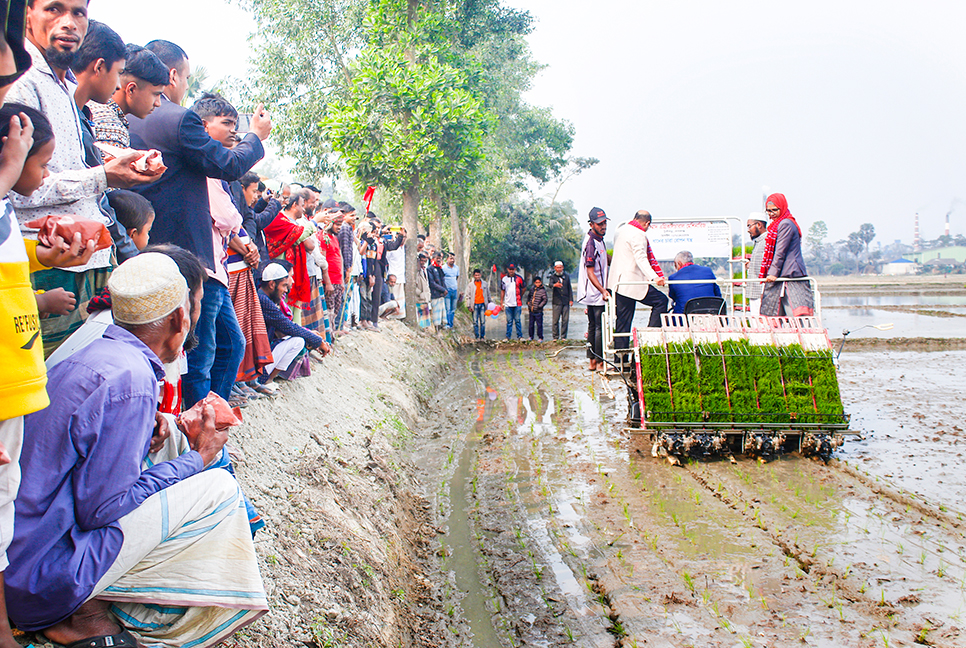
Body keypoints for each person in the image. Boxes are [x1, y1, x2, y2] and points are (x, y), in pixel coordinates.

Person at [7, 253, 267, 647]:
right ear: (180, 320)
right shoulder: (132, 379)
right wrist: (197, 459)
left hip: (16, 557)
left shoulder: (97, 353)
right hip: (42, 579)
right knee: (219, 488)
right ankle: (162, 625)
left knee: (178, 457)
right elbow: (102, 510)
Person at [0, 90, 101, 648]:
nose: (42, 178)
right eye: (39, 163)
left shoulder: (9, 216)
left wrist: (45, 263)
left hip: (14, 384)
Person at [128, 40, 270, 407]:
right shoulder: (176, 119)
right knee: (200, 353)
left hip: (163, 250)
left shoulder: (130, 119)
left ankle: (208, 423)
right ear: (172, 75)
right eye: (186, 78)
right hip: (189, 258)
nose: (183, 88)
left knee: (215, 347)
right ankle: (199, 430)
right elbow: (228, 164)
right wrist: (256, 136)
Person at [6, 2, 152, 353]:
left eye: (78, 13)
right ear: (28, 12)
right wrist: (104, 176)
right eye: (54, 9)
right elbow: (18, 187)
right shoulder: (20, 83)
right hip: (46, 262)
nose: (68, 23)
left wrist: (111, 172)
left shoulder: (64, 87)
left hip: (85, 261)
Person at [257, 263, 326, 392]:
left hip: (262, 353)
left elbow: (285, 328)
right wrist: (317, 341)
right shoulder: (263, 300)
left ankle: (268, 379)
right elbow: (288, 326)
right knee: (297, 341)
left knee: (298, 340)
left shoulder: (266, 299)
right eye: (283, 285)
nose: (286, 290)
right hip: (257, 358)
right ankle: (265, 379)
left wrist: (310, 336)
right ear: (272, 285)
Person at [608, 210, 669, 354]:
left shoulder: (621, 231)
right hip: (632, 282)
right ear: (647, 223)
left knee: (623, 321)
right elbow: (641, 258)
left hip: (618, 283)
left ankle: (620, 360)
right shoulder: (639, 234)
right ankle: (649, 339)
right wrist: (654, 277)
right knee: (661, 301)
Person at [91, 43, 168, 148]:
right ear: (131, 89)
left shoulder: (93, 109)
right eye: (156, 94)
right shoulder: (113, 129)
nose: (158, 103)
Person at [759, 193, 813, 317]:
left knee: (795, 311)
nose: (771, 213)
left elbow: (780, 251)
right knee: (777, 311)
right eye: (768, 211)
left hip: (791, 272)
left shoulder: (786, 224)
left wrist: (772, 273)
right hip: (781, 273)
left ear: (782, 207)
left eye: (774, 210)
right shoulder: (776, 225)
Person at [576, 207, 609, 371]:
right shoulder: (591, 243)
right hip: (595, 292)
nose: (603, 226)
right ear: (591, 224)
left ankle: (593, 361)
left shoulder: (599, 239)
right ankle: (600, 361)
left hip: (595, 292)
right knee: (598, 327)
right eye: (599, 224)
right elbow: (590, 272)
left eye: (604, 223)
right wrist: (603, 290)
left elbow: (606, 259)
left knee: (593, 326)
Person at [745, 214, 767, 315]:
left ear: (759, 225)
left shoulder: (766, 241)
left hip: (761, 293)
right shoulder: (758, 242)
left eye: (749, 226)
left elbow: (767, 268)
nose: (748, 230)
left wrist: (764, 293)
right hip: (755, 291)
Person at [547, 260, 572, 340]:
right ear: (555, 268)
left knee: (565, 320)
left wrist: (571, 300)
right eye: (557, 268)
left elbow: (569, 289)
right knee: (555, 320)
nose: (559, 269)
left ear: (563, 268)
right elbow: (550, 285)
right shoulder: (552, 277)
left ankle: (563, 336)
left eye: (560, 267)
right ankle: (555, 337)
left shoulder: (567, 276)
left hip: (565, 301)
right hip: (556, 301)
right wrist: (555, 285)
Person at [463, 268, 490, 339]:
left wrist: (490, 303)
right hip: (474, 305)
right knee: (475, 322)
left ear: (480, 275)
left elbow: (488, 294)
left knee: (483, 322)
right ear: (474, 276)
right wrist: (468, 305)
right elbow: (468, 296)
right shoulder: (471, 285)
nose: (477, 276)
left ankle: (482, 336)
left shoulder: (484, 284)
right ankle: (477, 336)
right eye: (476, 275)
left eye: (478, 275)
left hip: (483, 304)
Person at [501, 263, 525, 340]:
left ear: (515, 269)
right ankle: (508, 337)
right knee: (509, 321)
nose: (511, 271)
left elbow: (524, 288)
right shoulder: (504, 279)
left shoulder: (519, 278)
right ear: (508, 269)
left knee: (517, 320)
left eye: (513, 269)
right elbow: (502, 291)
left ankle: (520, 336)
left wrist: (520, 296)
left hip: (517, 303)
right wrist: (502, 302)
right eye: (510, 269)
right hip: (508, 304)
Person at [428, 250, 447, 329]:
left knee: (442, 313)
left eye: (440, 258)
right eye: (437, 258)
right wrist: (443, 289)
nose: (439, 260)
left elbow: (443, 280)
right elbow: (432, 283)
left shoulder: (439, 268)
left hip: (441, 295)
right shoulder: (430, 268)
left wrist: (445, 290)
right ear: (433, 258)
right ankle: (436, 330)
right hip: (435, 294)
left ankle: (441, 328)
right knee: (436, 314)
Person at [414, 252, 432, 329]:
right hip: (419, 297)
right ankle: (421, 329)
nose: (423, 263)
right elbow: (413, 285)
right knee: (420, 315)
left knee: (425, 316)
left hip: (425, 297)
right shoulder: (415, 271)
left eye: (424, 261)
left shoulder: (423, 270)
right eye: (421, 261)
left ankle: (425, 329)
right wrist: (420, 294)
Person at [526, 276, 547, 342]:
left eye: (539, 282)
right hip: (531, 310)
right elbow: (529, 296)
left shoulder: (543, 290)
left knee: (539, 325)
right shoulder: (532, 289)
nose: (538, 284)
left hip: (538, 311)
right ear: (534, 283)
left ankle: (540, 337)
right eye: (536, 282)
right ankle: (531, 336)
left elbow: (545, 300)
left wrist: (539, 306)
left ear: (541, 282)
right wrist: (528, 304)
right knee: (531, 325)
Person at [442, 251, 460, 328]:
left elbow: (457, 277)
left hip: (454, 290)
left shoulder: (457, 268)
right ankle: (447, 324)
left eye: (453, 259)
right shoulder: (443, 268)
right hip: (447, 291)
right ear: (447, 259)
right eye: (450, 258)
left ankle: (451, 324)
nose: (452, 260)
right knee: (447, 308)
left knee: (453, 309)